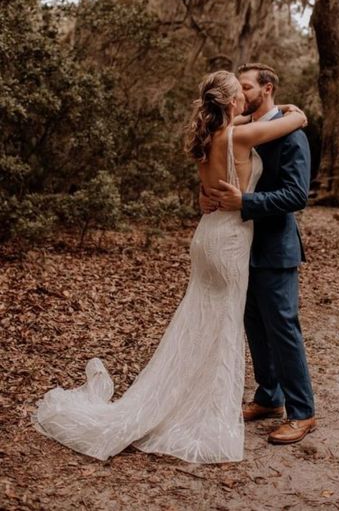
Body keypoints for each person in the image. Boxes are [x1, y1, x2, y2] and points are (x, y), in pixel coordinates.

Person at [31, 70, 307, 464]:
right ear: (232, 103)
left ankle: (195, 397)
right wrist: (296, 113)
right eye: (240, 94)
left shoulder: (211, 137)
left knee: (198, 322)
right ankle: (207, 410)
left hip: (205, 237)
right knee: (224, 328)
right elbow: (295, 121)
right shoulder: (240, 136)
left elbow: (241, 126)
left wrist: (250, 116)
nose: (245, 100)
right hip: (230, 242)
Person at [203, 63, 315, 445]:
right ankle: (269, 397)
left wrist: (245, 202)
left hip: (274, 247)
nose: (241, 91)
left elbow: (297, 195)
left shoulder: (292, 134)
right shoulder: (240, 128)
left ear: (266, 89)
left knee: (283, 327)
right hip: (239, 246)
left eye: (246, 86)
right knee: (254, 324)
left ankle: (303, 412)